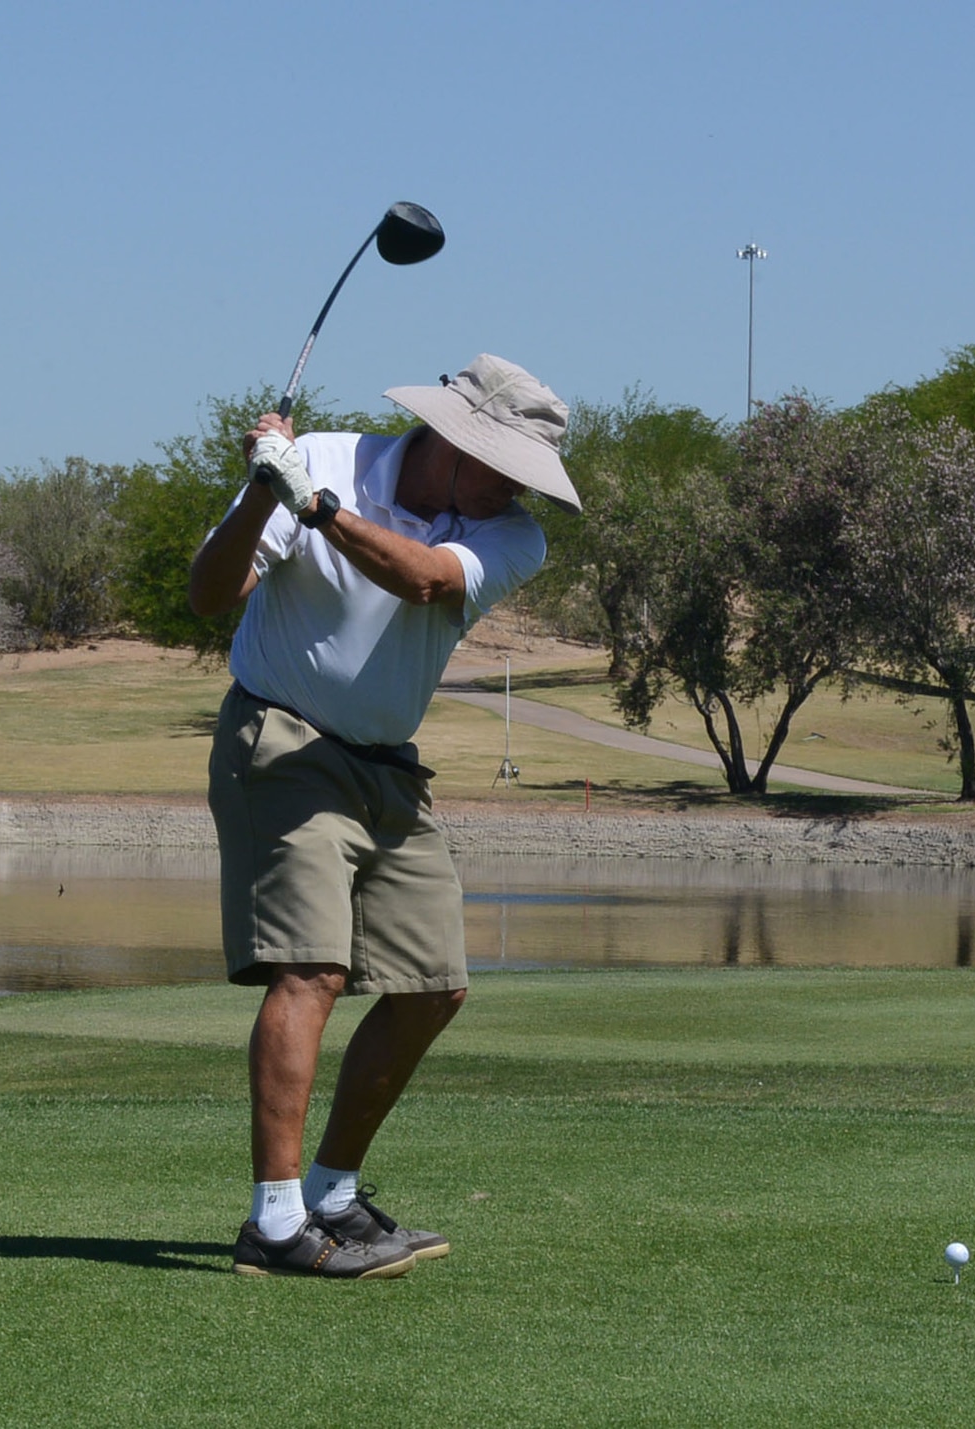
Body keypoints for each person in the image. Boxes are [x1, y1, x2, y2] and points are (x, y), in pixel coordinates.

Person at [187, 354, 581, 1278]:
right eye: (506, 468)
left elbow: (429, 582)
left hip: (390, 770)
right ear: (451, 443)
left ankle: (331, 1193)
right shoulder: (320, 457)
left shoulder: (514, 538)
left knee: (432, 984)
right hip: (283, 741)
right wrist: (261, 495)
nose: (517, 493)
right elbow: (210, 597)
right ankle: (275, 1224)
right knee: (313, 970)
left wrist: (315, 507)